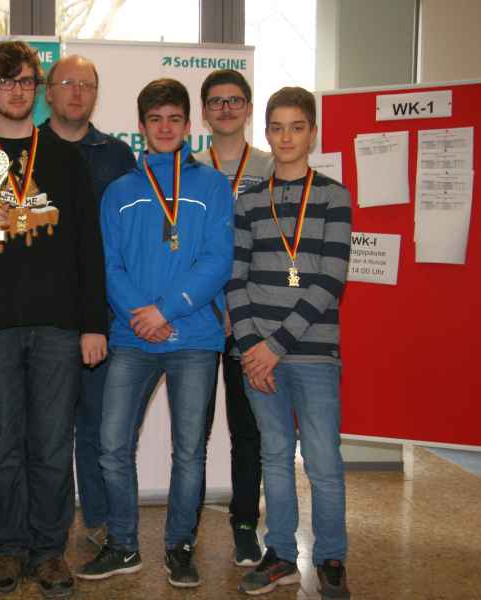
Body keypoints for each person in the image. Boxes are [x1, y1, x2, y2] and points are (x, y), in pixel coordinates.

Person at [0, 41, 108, 599]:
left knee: (52, 447)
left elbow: (89, 248)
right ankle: (10, 548)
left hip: (59, 326)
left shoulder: (65, 158)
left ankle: (49, 551)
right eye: (5, 80)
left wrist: (94, 324)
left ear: (36, 90)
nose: (17, 90)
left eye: (26, 81)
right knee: (5, 448)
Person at [76, 78, 233, 589]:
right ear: (142, 127)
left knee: (189, 451)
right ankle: (123, 544)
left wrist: (165, 310)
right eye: (155, 119)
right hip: (131, 337)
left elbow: (218, 260)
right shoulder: (121, 191)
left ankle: (179, 545)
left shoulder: (213, 187)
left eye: (174, 119)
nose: (165, 128)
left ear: (188, 125)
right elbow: (108, 263)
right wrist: (140, 316)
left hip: (195, 338)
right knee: (111, 445)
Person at [228, 86, 352, 599]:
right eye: (277, 128)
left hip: (311, 353)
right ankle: (280, 554)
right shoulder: (249, 200)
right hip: (257, 356)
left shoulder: (334, 196)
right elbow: (235, 279)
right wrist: (251, 346)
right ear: (266, 133)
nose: (286, 137)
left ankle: (330, 558)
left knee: (323, 462)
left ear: (312, 134)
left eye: (296, 127)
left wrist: (274, 346)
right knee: (274, 458)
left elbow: (329, 280)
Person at [40, 54, 136, 549]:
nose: (77, 92)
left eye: (87, 85)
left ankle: (98, 522)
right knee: (46, 430)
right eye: (67, 83)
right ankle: (45, 528)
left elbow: (133, 238)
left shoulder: (118, 157)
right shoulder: (26, 149)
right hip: (44, 313)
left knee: (99, 426)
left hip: (106, 312)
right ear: (48, 92)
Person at [193, 68, 273, 567]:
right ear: (204, 112)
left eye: (235, 100)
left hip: (253, 319)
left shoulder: (270, 164)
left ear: (247, 107)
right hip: (201, 316)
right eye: (216, 101)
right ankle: (186, 526)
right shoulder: (188, 167)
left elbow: (277, 244)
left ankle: (244, 523)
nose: (225, 109)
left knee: (248, 429)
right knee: (194, 430)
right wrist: (212, 304)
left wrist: (240, 309)